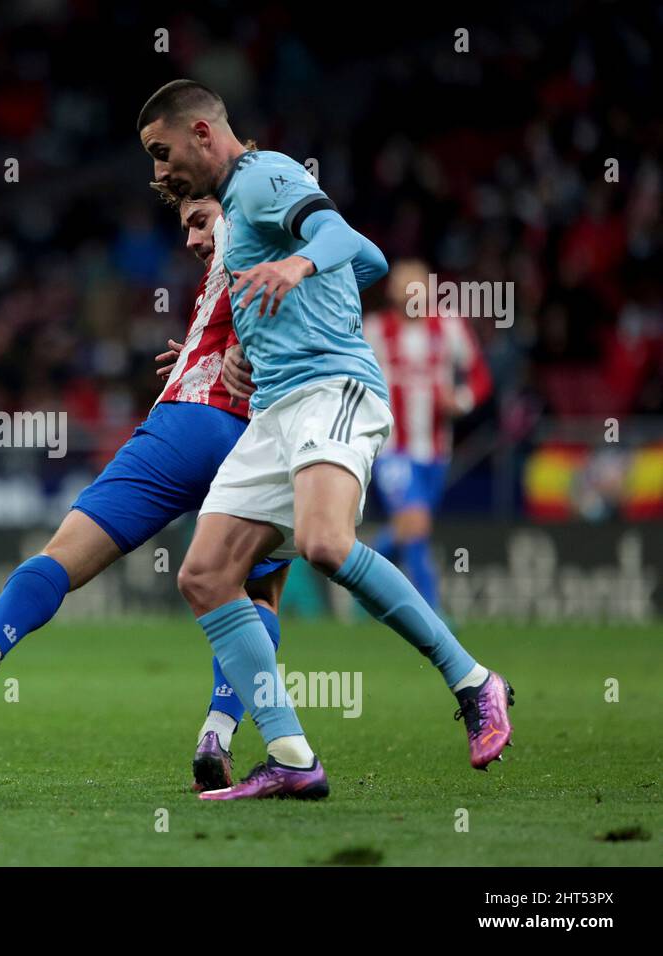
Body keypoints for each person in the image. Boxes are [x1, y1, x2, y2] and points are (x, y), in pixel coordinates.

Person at [136, 79, 514, 801]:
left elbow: (350, 243)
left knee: (324, 542)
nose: (160, 173)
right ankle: (290, 757)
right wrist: (233, 350)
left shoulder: (265, 173)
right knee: (205, 575)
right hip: (276, 408)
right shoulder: (243, 209)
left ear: (203, 134)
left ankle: (473, 682)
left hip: (331, 390)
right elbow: (347, 272)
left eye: (163, 153)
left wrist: (300, 263)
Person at [0, 193, 289, 792]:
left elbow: (284, 264)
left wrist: (236, 347)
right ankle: (218, 727)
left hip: (183, 427)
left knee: (60, 559)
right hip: (252, 440)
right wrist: (206, 352)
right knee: (254, 592)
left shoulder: (254, 211)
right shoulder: (257, 242)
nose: (191, 239)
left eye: (196, 221)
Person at [364, 259, 493, 610]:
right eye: (405, 287)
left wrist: (462, 401)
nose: (412, 294)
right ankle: (432, 613)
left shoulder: (448, 326)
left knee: (412, 528)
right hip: (391, 448)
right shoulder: (374, 330)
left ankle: (357, 568)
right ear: (393, 292)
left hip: (436, 450)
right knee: (416, 524)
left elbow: (480, 376)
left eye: (418, 286)